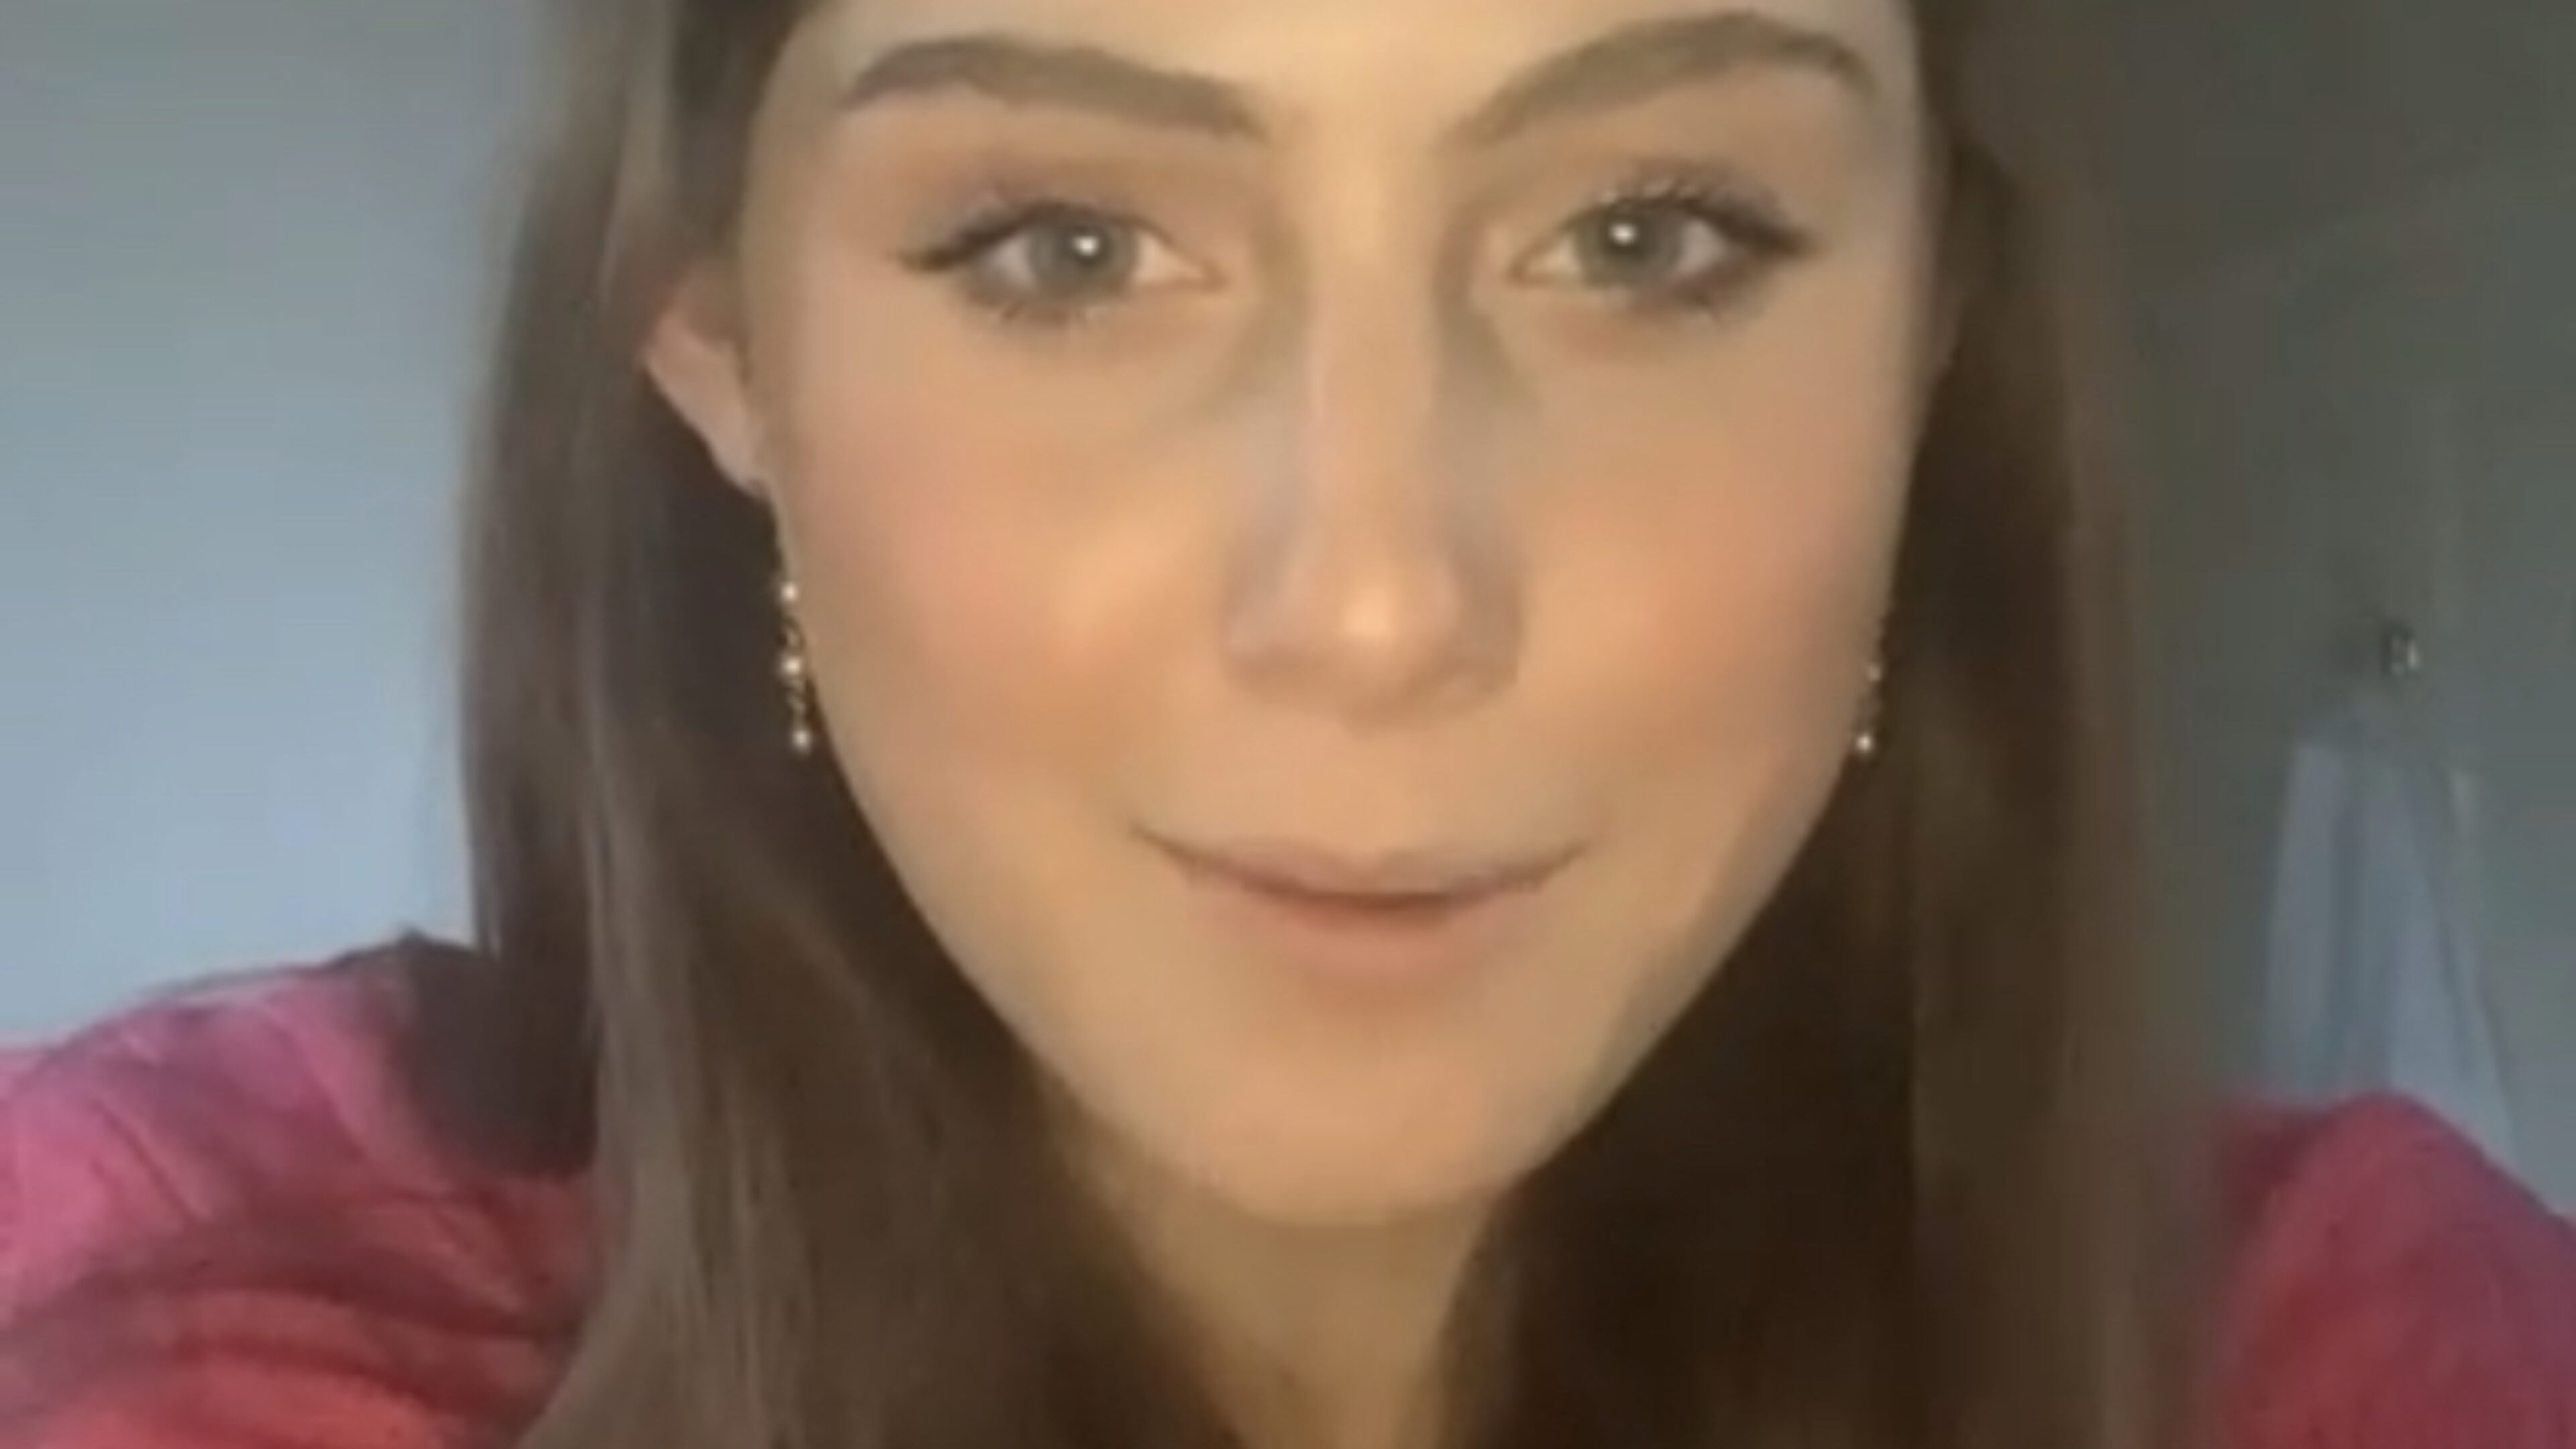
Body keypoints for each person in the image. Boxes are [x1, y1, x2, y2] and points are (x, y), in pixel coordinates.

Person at [5, 0, 2573, 1444]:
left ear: (1924, 344)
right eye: (1067, 245)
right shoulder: (182, 1324)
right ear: (725, 348)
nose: (1373, 603)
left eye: (1646, 234)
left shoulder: (2334, 1350)